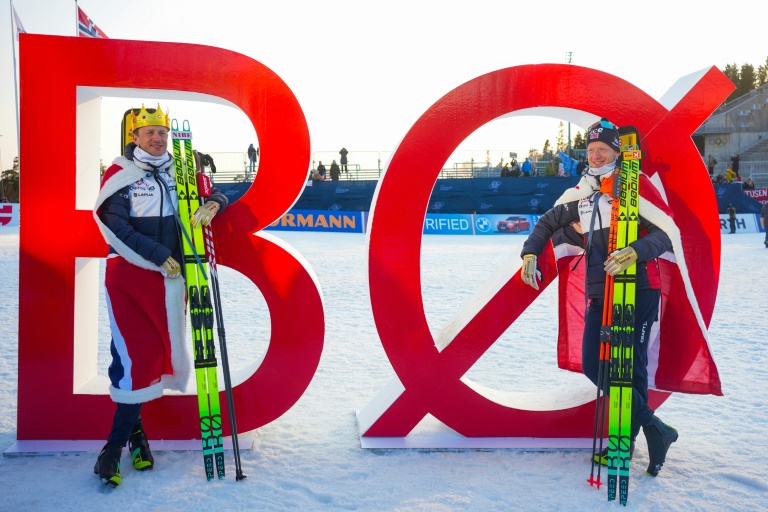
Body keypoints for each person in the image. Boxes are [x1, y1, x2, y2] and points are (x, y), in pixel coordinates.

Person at [519, 118, 678, 477]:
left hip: (637, 291)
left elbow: (667, 233)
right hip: (599, 293)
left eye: (602, 149)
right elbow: (546, 221)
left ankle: (624, 445)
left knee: (631, 370)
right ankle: (656, 429)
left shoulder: (635, 188)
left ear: (617, 152)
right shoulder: (585, 197)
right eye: (590, 150)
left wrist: (637, 249)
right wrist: (530, 252)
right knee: (596, 364)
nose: (594, 156)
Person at [92, 104, 228, 487]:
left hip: (170, 282)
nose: (157, 138)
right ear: (134, 137)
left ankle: (136, 437)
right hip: (132, 277)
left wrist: (216, 202)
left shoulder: (181, 170)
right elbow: (111, 221)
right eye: (149, 132)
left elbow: (213, 189)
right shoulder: (122, 173)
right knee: (133, 359)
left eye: (162, 133)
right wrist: (157, 254)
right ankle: (112, 449)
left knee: (156, 357)